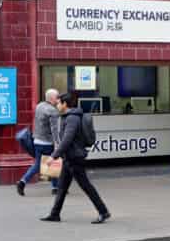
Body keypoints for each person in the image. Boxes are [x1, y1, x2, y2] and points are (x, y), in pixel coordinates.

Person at [41, 92, 110, 224]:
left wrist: (54, 156)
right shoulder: (68, 116)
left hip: (75, 158)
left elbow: (67, 139)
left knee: (86, 186)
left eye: (59, 103)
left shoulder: (72, 118)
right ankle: (55, 214)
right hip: (69, 157)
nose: (57, 105)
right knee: (62, 186)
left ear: (65, 104)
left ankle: (103, 211)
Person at [17, 89, 61, 196]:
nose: (58, 99)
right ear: (51, 98)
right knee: (52, 163)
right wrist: (57, 144)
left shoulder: (39, 106)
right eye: (57, 97)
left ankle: (23, 181)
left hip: (37, 140)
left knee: (39, 164)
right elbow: (54, 130)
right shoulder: (53, 111)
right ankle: (55, 187)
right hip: (47, 142)